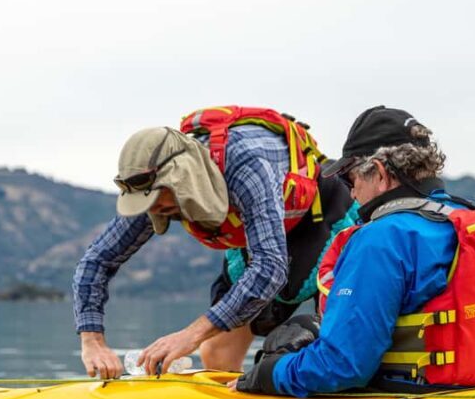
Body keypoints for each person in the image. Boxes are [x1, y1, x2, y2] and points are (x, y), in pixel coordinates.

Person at [232, 106, 475, 396]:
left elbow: (342, 366)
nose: (350, 192)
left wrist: (264, 375)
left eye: (348, 177)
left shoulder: (381, 238)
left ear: (379, 173)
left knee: (286, 345)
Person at [73, 106, 356, 379]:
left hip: (319, 219)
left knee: (332, 339)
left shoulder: (246, 163)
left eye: (157, 200)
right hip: (258, 234)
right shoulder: (153, 191)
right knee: (217, 350)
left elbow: (270, 268)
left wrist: (189, 335)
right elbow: (97, 260)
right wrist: (92, 340)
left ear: (182, 180)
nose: (153, 209)